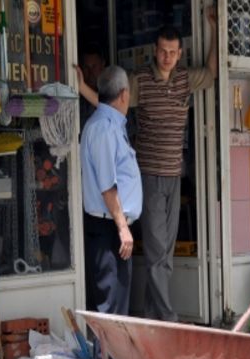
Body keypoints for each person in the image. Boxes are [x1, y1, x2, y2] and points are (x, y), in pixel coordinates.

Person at [79, 8, 218, 321]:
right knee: (157, 254)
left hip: (174, 176)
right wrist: (80, 87)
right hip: (149, 177)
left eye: (172, 53)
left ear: (179, 53)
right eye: (163, 52)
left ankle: (152, 315)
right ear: (155, 51)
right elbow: (109, 101)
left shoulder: (184, 79)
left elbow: (212, 71)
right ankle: (167, 319)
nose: (167, 57)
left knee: (165, 255)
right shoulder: (140, 81)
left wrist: (215, 28)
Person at [80, 65, 142, 359]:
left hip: (112, 225)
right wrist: (122, 227)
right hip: (108, 227)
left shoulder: (109, 123)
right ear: (123, 95)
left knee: (115, 308)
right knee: (109, 308)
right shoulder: (104, 128)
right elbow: (107, 185)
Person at [78, 44, 106, 128]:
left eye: (94, 66)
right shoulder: (76, 98)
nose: (90, 72)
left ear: (102, 65)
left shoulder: (111, 93)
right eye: (86, 67)